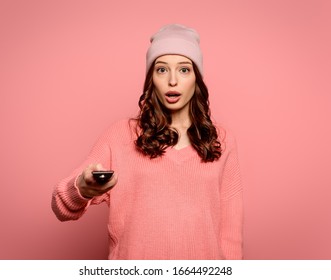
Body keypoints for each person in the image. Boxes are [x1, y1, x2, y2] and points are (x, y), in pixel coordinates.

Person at [51, 24, 243, 260]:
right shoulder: (121, 135)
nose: (173, 81)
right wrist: (82, 188)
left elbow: (230, 234)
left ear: (197, 78)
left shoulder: (222, 140)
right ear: (151, 78)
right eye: (162, 70)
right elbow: (61, 207)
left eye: (184, 70)